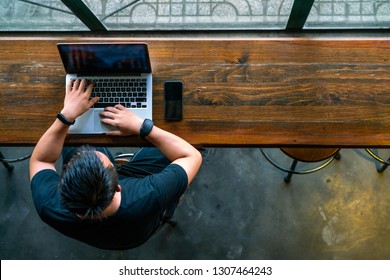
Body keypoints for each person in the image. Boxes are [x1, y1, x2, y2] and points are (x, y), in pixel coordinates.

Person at [29, 79, 202, 250]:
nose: (92, 150)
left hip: (106, 236)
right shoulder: (150, 194)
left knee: (74, 137)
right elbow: (191, 156)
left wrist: (66, 116)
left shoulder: (48, 204)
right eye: (108, 164)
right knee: (181, 138)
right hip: (140, 228)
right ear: (119, 186)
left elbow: (41, 160)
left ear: (62, 186)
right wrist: (141, 126)